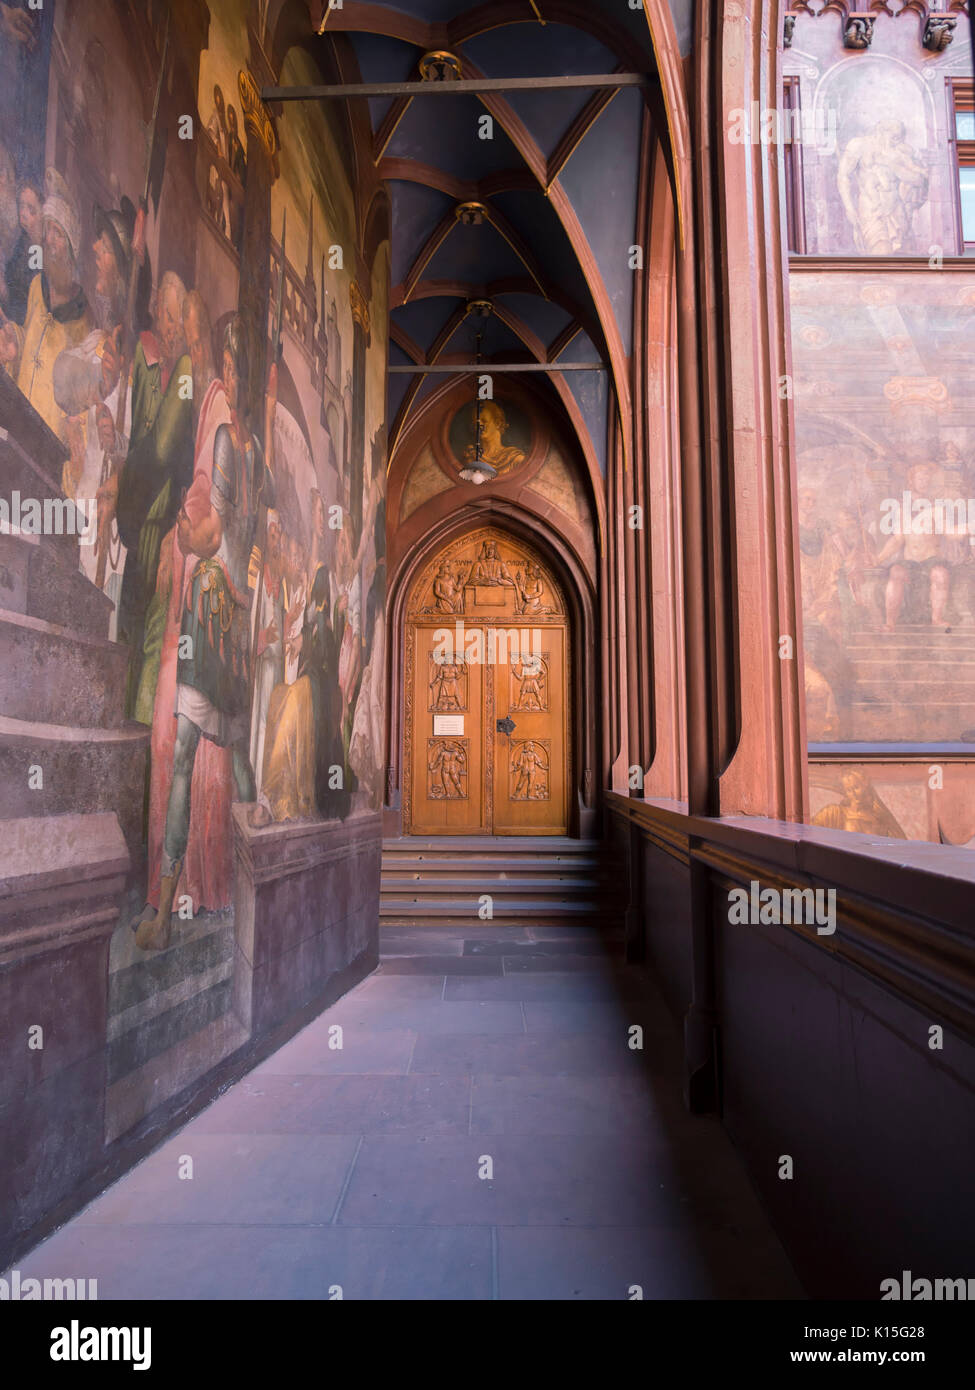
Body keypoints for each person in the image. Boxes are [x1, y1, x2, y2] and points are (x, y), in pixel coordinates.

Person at [133, 315, 275, 950]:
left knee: (200, 756)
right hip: (229, 621)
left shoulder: (231, 443)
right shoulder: (249, 450)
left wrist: (182, 537)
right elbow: (250, 539)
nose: (234, 375)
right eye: (234, 364)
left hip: (214, 615)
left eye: (239, 365)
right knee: (224, 756)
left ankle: (171, 909)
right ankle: (221, 899)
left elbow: (216, 532)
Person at [143, 289, 235, 919]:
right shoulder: (199, 409)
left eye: (197, 335)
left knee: (183, 751)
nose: (190, 346)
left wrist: (181, 531)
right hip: (191, 618)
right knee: (169, 746)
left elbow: (211, 532)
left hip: (207, 626)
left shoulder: (219, 414)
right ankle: (171, 886)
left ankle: (177, 890)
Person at [105, 270, 195, 719]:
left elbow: (178, 450)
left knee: (149, 625)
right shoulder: (146, 353)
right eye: (169, 313)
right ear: (156, 307)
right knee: (133, 616)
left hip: (159, 511)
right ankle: (119, 709)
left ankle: (135, 718)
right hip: (140, 504)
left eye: (180, 319)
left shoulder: (182, 374)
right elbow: (151, 442)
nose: (173, 326)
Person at [0, 169, 92, 445]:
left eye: (59, 234)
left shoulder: (84, 318)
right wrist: (13, 341)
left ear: (72, 249)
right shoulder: (36, 287)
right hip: (17, 417)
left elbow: (82, 400)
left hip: (47, 437)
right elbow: (28, 339)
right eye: (48, 231)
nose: (50, 241)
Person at [2, 179, 42, 324]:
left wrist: (5, 290)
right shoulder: (23, 240)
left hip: (27, 318)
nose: (23, 213)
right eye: (21, 206)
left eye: (30, 209)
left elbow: (30, 293)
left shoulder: (37, 249)